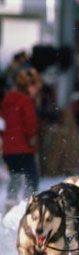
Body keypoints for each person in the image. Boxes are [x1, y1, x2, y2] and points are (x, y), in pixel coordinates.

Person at [1, 68, 42, 212]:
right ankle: (28, 207)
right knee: (33, 178)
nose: (37, 90)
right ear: (29, 86)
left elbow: (4, 120)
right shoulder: (27, 101)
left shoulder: (7, 99)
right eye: (36, 87)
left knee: (15, 177)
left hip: (9, 148)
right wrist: (32, 138)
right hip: (23, 147)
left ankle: (10, 206)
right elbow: (30, 124)